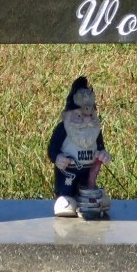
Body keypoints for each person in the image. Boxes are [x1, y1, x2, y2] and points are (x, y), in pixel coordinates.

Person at [47, 76, 111, 217]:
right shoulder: (63, 130)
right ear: (67, 115)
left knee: (89, 189)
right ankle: (66, 198)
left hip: (89, 171)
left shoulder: (95, 132)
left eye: (91, 115)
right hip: (68, 172)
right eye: (79, 116)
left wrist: (103, 154)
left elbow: (100, 147)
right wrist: (57, 157)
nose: (87, 120)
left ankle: (90, 199)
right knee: (67, 194)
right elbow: (52, 148)